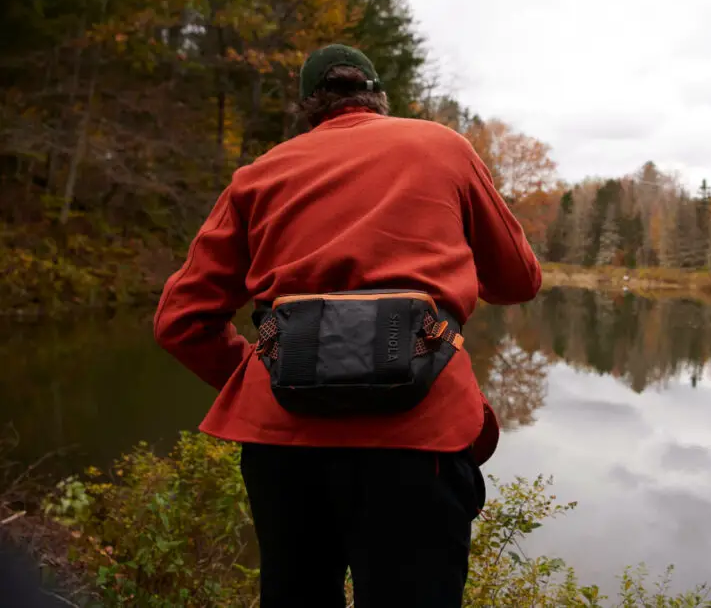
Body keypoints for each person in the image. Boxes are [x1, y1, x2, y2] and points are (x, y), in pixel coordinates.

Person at [153, 44, 542, 607]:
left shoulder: (257, 176)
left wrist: (278, 366)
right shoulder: (442, 147)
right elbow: (519, 282)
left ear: (309, 107)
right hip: (419, 436)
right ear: (379, 96)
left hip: (283, 440)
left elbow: (181, 322)